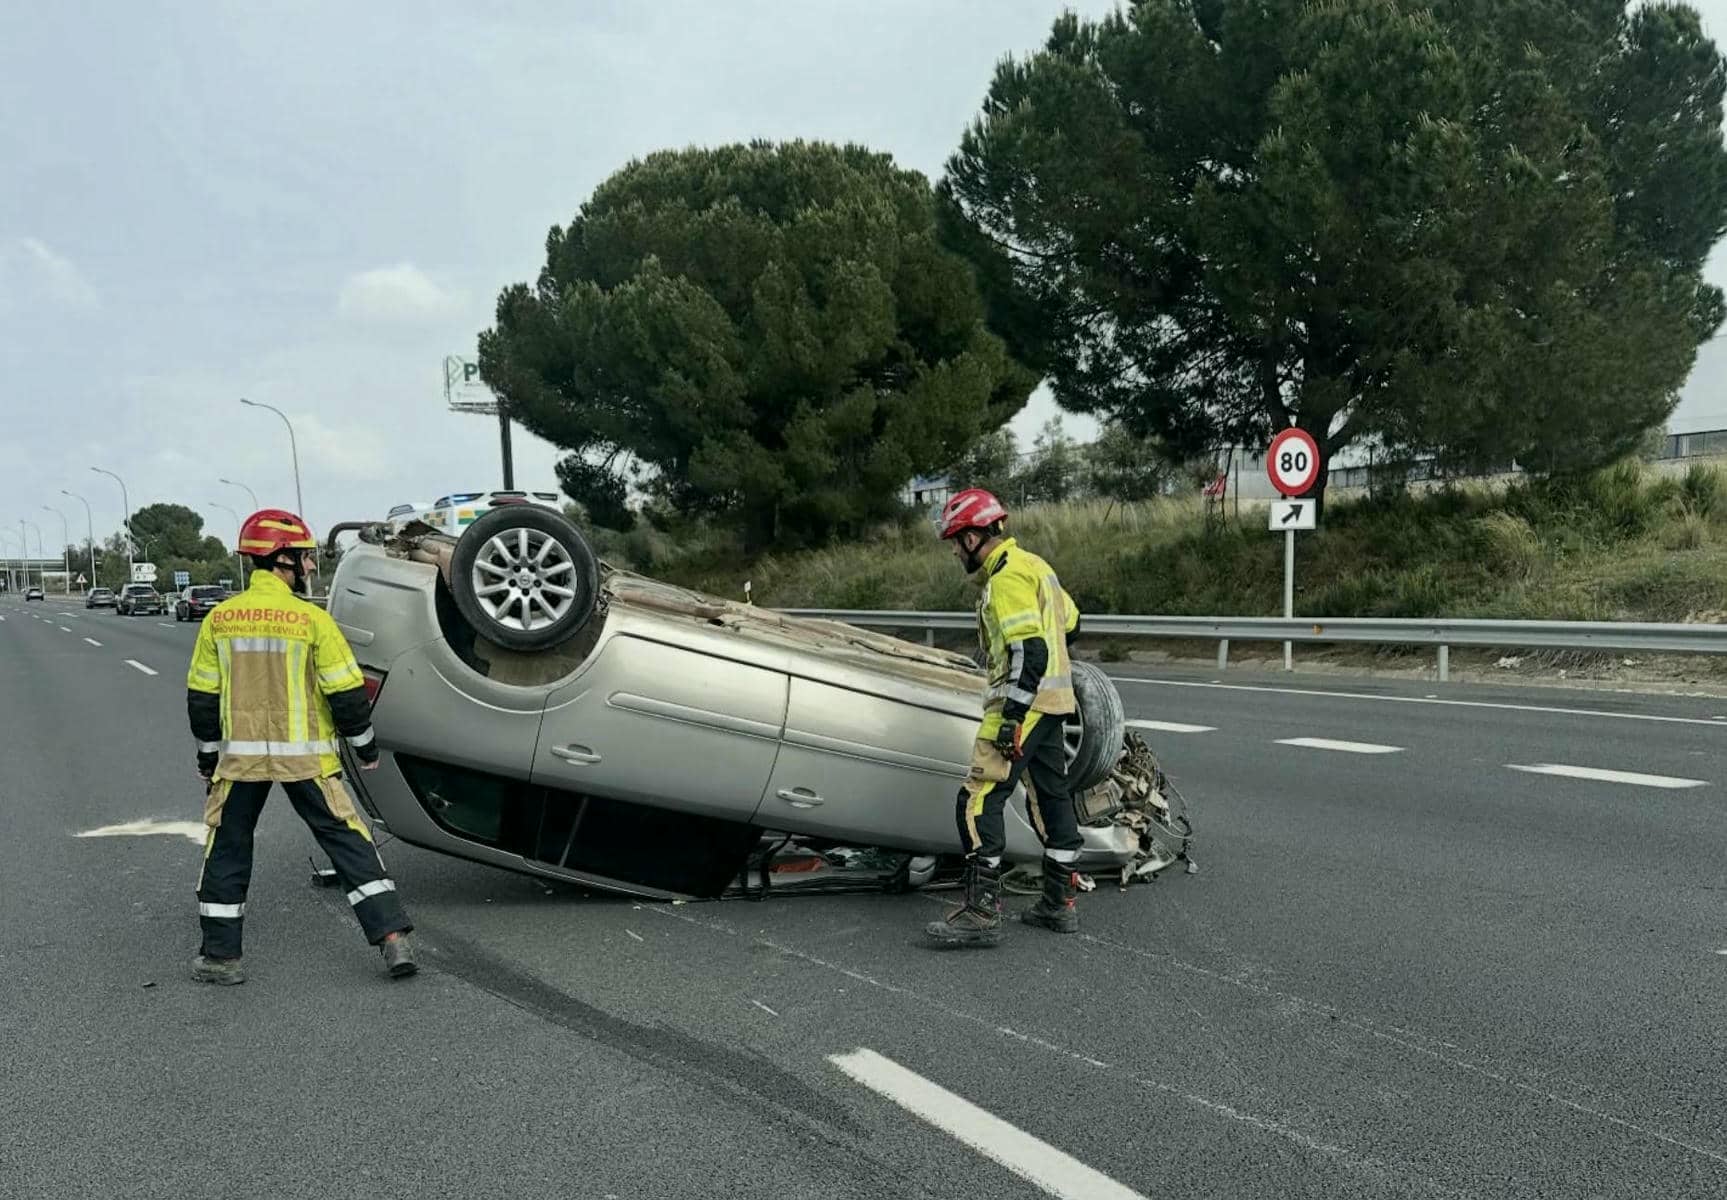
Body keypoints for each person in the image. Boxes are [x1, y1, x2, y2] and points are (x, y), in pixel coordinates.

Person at [185, 508, 416, 984]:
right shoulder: (311, 620)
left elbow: (203, 698)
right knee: (347, 840)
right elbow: (346, 692)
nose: (311, 568)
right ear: (281, 559)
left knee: (227, 848)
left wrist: (208, 756)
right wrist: (366, 748)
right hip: (305, 757)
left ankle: (221, 958)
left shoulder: (219, 620)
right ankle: (393, 940)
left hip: (239, 762)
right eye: (305, 559)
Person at [926, 488, 1085, 947]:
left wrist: (1012, 717)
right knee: (1051, 798)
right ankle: (1058, 904)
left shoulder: (1007, 578)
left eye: (956, 540)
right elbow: (1072, 625)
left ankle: (981, 912)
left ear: (975, 537)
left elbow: (1028, 649)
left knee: (978, 798)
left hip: (1022, 706)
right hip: (1055, 705)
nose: (955, 550)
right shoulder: (1039, 568)